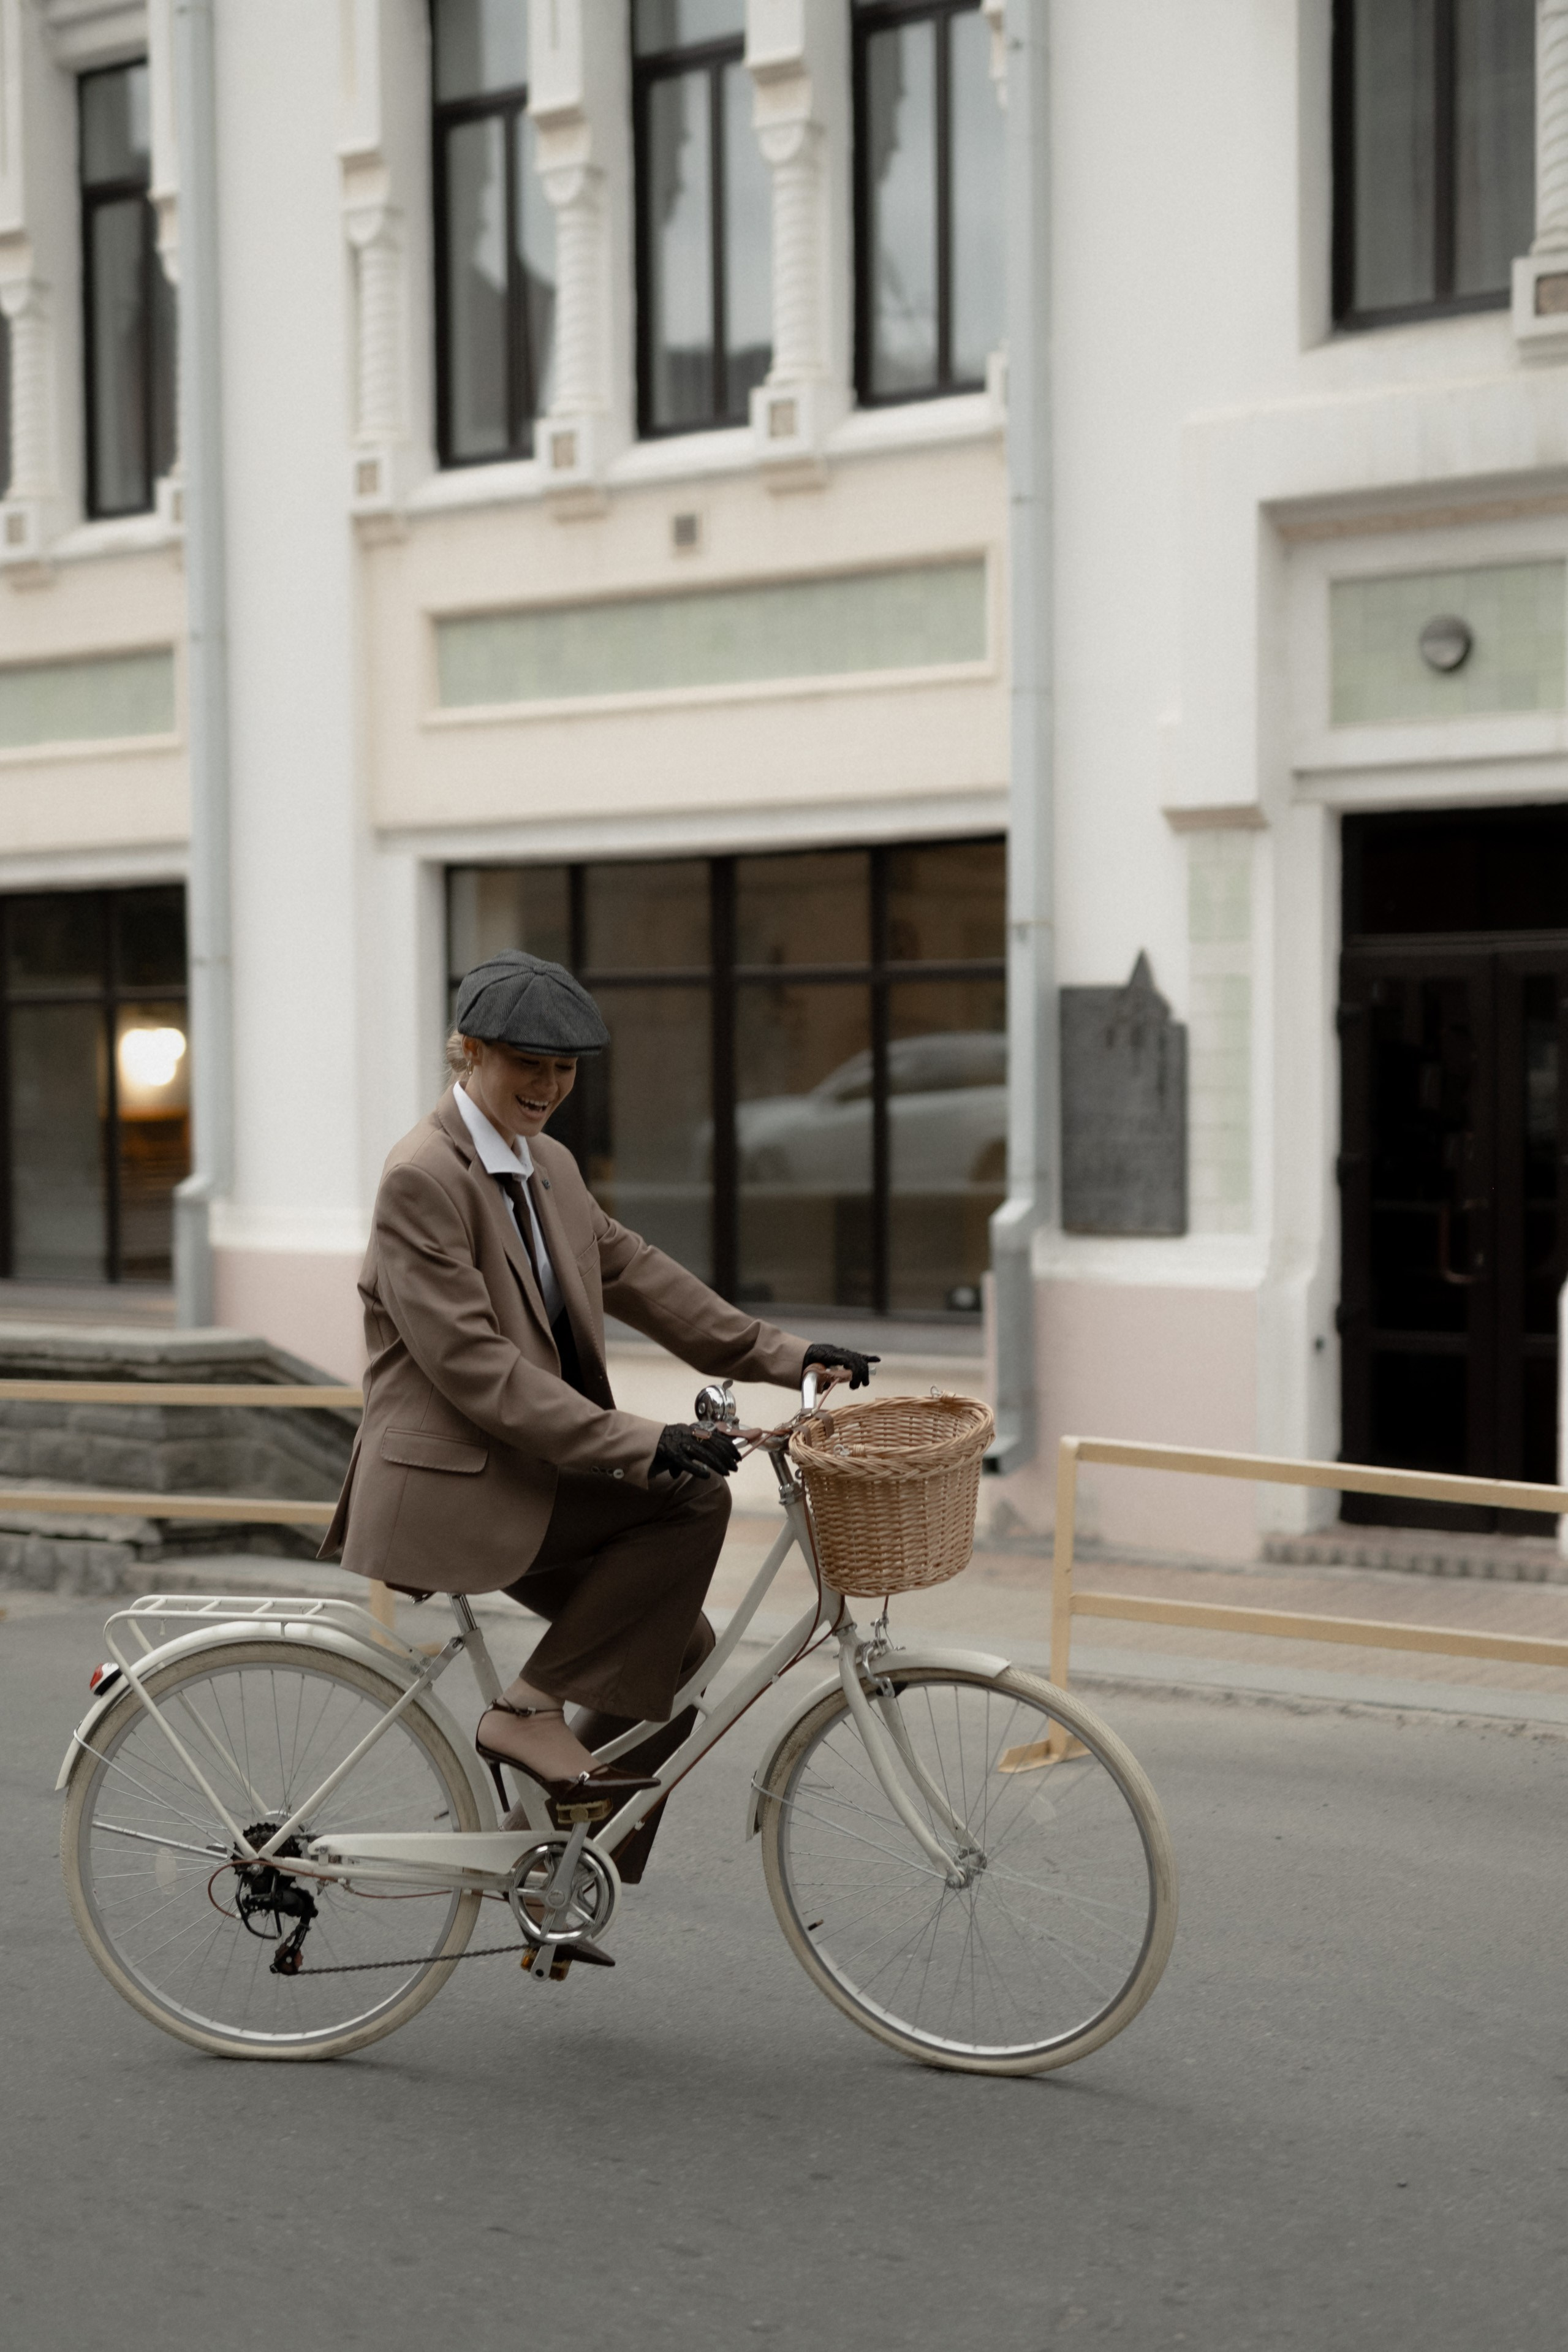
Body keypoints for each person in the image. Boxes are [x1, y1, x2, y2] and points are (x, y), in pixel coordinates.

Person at [321, 949, 876, 1921]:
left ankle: (563, 1864)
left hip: (529, 1466)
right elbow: (474, 1368)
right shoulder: (423, 1178)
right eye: (525, 1065)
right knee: (689, 1497)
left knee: (677, 1654)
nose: (546, 1088)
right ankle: (524, 1714)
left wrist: (787, 1354)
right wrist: (639, 1440)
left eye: (565, 1070)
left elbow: (640, 1274)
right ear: (470, 1054)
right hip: (458, 1482)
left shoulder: (548, 1165)